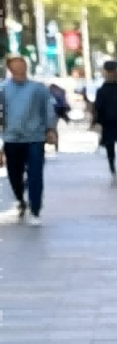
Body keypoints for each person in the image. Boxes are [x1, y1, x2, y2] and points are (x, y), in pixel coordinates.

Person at [0, 57, 53, 224]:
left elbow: (48, 108)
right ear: (10, 68)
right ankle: (20, 198)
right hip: (11, 137)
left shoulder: (38, 88)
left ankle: (35, 209)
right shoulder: (2, 89)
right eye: (16, 65)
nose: (20, 68)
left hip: (35, 138)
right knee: (14, 174)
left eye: (22, 65)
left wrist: (50, 128)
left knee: (35, 174)